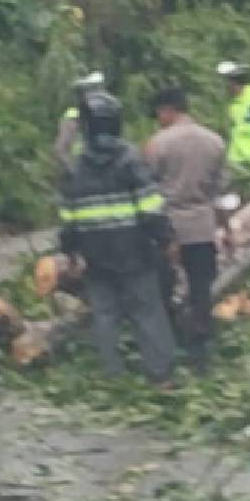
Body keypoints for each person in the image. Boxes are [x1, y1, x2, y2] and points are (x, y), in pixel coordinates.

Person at [59, 90, 178, 386]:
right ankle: (160, 375)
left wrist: (70, 253)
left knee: (105, 317)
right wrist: (167, 240)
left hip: (96, 257)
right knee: (147, 312)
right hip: (134, 253)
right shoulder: (130, 160)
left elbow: (68, 219)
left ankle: (113, 378)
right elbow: (151, 209)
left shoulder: (76, 169)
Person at [145, 87, 231, 374]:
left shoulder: (157, 145)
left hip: (169, 228)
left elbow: (148, 191)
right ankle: (201, 353)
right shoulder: (214, 142)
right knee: (201, 290)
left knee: (164, 290)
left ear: (167, 110)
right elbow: (221, 191)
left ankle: (169, 348)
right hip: (202, 226)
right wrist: (226, 226)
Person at [53, 70, 106, 176]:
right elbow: (60, 149)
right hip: (81, 173)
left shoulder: (105, 114)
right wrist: (74, 171)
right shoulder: (73, 116)